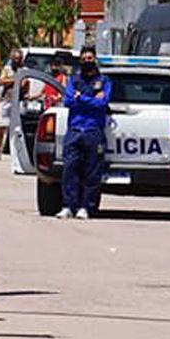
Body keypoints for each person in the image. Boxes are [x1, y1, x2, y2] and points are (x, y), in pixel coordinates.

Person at [60, 46, 111, 220]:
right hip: (74, 130)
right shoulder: (74, 80)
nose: (87, 61)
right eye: (84, 58)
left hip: (93, 131)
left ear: (95, 59)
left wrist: (80, 98)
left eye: (90, 58)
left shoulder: (104, 81)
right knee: (69, 170)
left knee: (92, 172)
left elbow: (102, 104)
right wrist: (89, 99)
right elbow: (67, 101)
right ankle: (68, 206)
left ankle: (85, 207)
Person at [0, 49, 23, 161]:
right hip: (6, 100)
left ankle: (16, 153)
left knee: (16, 129)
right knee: (1, 126)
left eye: (19, 59)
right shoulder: (7, 69)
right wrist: (14, 80)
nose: (17, 61)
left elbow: (25, 83)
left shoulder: (23, 70)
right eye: (15, 59)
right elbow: (1, 80)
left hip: (18, 102)